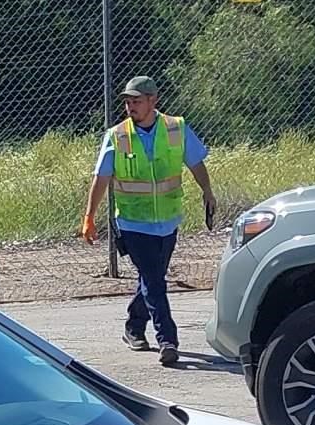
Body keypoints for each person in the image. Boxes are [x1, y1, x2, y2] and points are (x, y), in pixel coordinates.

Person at [78, 74, 216, 367]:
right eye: (128, 102)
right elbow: (101, 178)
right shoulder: (117, 135)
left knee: (150, 279)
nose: (130, 107)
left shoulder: (176, 128)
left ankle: (133, 327)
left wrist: (207, 191)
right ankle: (168, 340)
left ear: (154, 101)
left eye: (136, 101)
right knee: (155, 282)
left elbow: (196, 162)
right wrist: (89, 216)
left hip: (167, 221)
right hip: (133, 223)